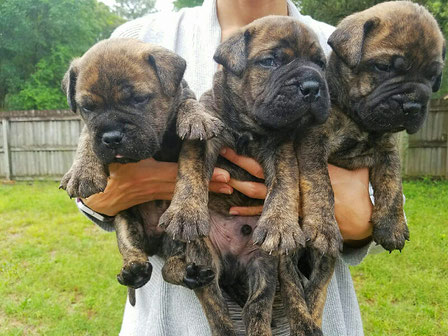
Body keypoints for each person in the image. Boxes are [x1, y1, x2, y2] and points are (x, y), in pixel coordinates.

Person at [77, 0, 377, 335]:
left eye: (318, 65)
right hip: (177, 315)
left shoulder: (342, 38)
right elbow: (95, 168)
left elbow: (375, 161)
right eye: (271, 61)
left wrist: (349, 209)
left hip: (302, 291)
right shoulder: (137, 38)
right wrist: (108, 197)